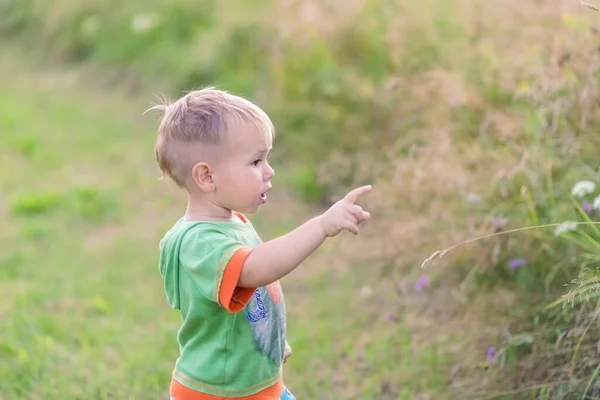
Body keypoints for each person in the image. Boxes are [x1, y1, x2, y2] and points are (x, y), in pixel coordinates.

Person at [149, 87, 372, 400]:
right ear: (207, 177)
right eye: (255, 162)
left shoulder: (233, 223)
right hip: (219, 393)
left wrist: (270, 341)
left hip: (255, 385)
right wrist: (321, 225)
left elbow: (251, 302)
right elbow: (256, 270)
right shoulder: (199, 242)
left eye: (267, 158)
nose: (269, 171)